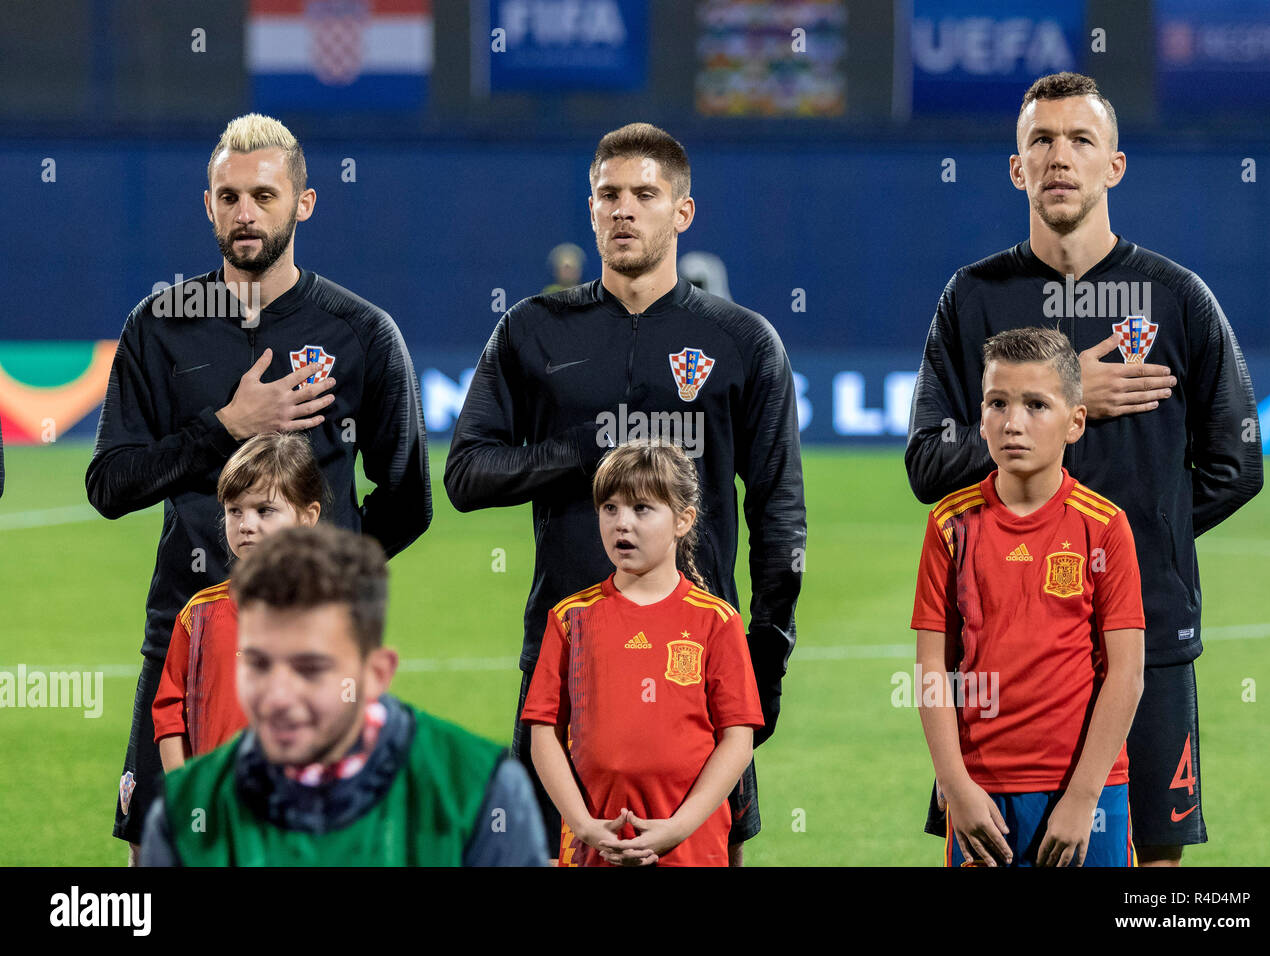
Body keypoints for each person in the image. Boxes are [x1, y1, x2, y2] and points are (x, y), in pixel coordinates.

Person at [905, 72, 1263, 866]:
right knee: (999, 849)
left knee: (1154, 864)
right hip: (1003, 647)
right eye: (1040, 140)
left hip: (1149, 635)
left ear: (1115, 166)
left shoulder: (1177, 299)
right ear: (1016, 168)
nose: (1059, 156)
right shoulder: (973, 299)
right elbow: (928, 460)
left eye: (1080, 140)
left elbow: (1236, 463)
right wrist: (1069, 396)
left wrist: (1120, 553)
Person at [445, 122, 806, 865]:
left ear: (683, 213)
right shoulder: (532, 331)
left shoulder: (743, 341)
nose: (623, 210)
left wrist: (765, 654)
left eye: (645, 194)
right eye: (608, 194)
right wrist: (580, 450)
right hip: (565, 657)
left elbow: (779, 512)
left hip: (696, 663)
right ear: (590, 207)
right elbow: (465, 474)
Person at [88, 113, 432, 864]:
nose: (246, 213)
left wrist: (323, 581)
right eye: (230, 196)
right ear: (207, 204)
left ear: (302, 203)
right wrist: (225, 426)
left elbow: (408, 499)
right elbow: (110, 484)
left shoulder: (362, 333)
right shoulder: (159, 327)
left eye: (265, 196)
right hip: (185, 636)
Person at [139, 524, 548, 867]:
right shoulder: (186, 814)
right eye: (258, 664)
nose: (278, 697)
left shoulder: (478, 793)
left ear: (375, 674)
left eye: (309, 668)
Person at [913, 328, 1145, 867]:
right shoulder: (950, 525)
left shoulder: (1104, 527)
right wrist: (956, 786)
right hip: (982, 792)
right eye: (998, 403)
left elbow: (1127, 674)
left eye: (1037, 405)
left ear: (1076, 421)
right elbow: (931, 670)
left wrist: (1084, 797)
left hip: (1087, 791)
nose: (1012, 423)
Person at [524, 441, 763, 866]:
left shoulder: (716, 622)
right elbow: (544, 732)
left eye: (642, 509)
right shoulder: (570, 619)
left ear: (683, 521)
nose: (622, 524)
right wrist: (582, 824)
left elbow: (737, 740)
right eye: (610, 508)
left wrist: (680, 827)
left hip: (691, 848)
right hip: (592, 847)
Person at [153, 432, 325, 772]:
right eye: (235, 511)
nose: (247, 525)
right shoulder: (198, 615)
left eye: (265, 510)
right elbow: (169, 711)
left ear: (307, 518)